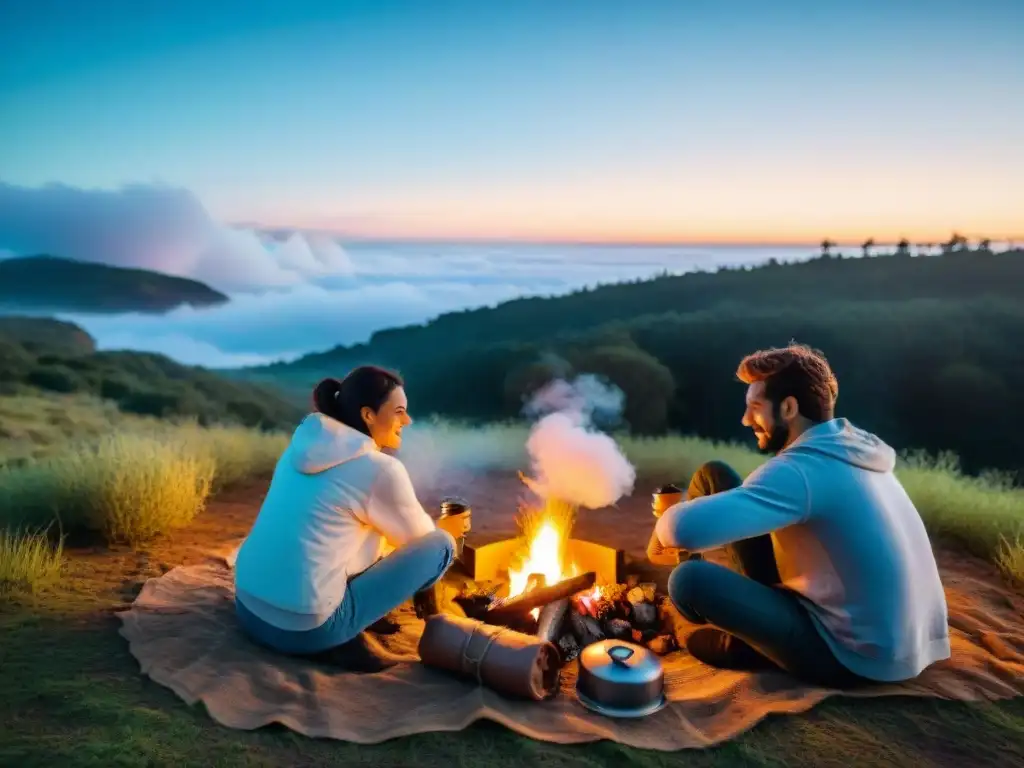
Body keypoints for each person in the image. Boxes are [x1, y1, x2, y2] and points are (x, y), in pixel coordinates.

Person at [649, 343, 950, 688]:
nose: (746, 420)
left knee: (689, 581)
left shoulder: (800, 471)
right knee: (713, 475)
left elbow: (682, 529)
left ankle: (760, 645)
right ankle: (764, 631)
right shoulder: (854, 451)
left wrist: (663, 526)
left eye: (755, 408)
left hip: (851, 657)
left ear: (789, 407)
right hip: (910, 642)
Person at [233, 365, 470, 672]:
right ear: (368, 415)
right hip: (302, 630)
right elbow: (420, 546)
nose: (406, 421)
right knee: (440, 545)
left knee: (362, 526)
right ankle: (347, 633)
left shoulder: (300, 449)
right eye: (399, 412)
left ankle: (350, 615)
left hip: (249, 607)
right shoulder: (380, 469)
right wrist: (448, 532)